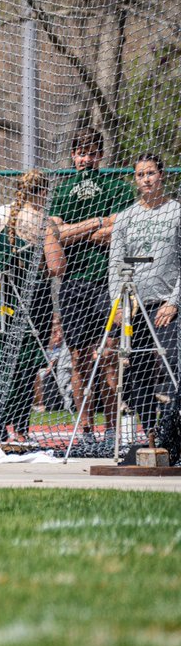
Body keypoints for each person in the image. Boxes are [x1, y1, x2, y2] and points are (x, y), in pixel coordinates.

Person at [0, 170, 66, 442]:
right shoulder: (42, 222)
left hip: (4, 297)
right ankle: (17, 427)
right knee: (27, 364)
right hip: (34, 298)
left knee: (6, 359)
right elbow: (57, 266)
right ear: (42, 192)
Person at [49, 126, 135, 434]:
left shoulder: (118, 187)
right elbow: (56, 232)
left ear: (100, 155)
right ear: (73, 155)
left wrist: (79, 231)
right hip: (74, 283)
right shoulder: (60, 191)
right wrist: (96, 223)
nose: (86, 159)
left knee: (110, 354)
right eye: (80, 153)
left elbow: (118, 229)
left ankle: (112, 428)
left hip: (108, 281)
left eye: (91, 153)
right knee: (78, 358)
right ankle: (83, 426)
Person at [102, 154, 180, 438]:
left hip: (167, 305)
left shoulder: (176, 213)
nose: (146, 179)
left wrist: (173, 302)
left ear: (161, 175)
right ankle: (150, 434)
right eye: (140, 175)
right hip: (135, 306)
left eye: (151, 173)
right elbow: (115, 265)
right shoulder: (125, 218)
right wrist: (119, 304)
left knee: (173, 365)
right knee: (139, 372)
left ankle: (173, 430)